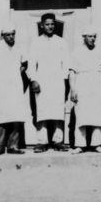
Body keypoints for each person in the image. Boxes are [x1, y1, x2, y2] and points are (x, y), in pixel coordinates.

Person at [25, 13, 72, 153]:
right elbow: (32, 63)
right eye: (47, 24)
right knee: (42, 111)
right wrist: (33, 79)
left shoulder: (61, 42)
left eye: (52, 24)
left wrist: (63, 79)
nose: (50, 26)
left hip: (57, 81)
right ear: (42, 25)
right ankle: (41, 142)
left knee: (58, 111)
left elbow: (66, 63)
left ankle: (58, 141)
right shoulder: (36, 42)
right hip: (42, 81)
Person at [0, 24, 28, 156]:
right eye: (8, 34)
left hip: (15, 85)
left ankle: (13, 145)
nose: (11, 37)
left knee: (15, 115)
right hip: (1, 85)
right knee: (0, 115)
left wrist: (15, 73)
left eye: (13, 34)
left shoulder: (20, 47)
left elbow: (25, 65)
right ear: (3, 35)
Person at [70, 26, 101, 153]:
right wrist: (73, 89)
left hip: (96, 84)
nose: (92, 39)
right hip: (82, 84)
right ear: (84, 37)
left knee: (97, 115)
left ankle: (96, 144)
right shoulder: (76, 52)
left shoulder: (100, 51)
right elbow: (72, 72)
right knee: (81, 114)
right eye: (90, 36)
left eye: (94, 36)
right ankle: (80, 144)